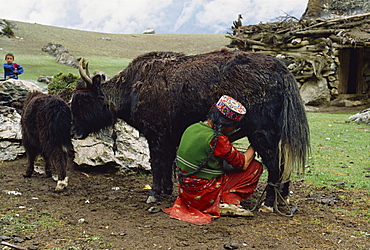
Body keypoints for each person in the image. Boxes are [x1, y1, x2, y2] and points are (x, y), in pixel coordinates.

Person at [163, 95, 263, 225]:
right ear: (226, 124)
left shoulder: (193, 128)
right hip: (204, 193)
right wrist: (255, 143)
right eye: (234, 127)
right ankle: (227, 199)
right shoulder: (219, 140)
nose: (234, 129)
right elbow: (243, 163)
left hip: (186, 191)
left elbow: (215, 145)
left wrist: (240, 135)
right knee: (254, 166)